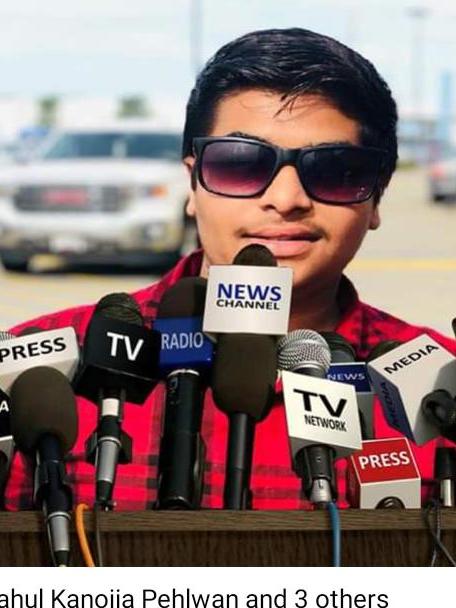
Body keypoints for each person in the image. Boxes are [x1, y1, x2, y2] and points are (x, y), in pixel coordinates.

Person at [4, 28, 456, 511]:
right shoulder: (30, 374)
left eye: (334, 170)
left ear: (377, 198)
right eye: (240, 164)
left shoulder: (442, 384)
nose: (286, 199)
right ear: (192, 185)